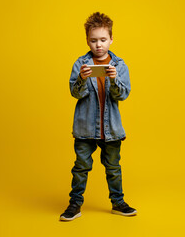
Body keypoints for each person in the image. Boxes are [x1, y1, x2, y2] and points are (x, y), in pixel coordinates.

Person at [60, 12, 137, 221]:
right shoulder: (81, 63)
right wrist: (82, 79)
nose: (98, 45)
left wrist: (113, 80)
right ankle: (75, 204)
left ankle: (118, 203)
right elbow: (75, 93)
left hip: (111, 129)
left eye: (103, 40)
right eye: (93, 40)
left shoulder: (119, 65)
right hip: (85, 128)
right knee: (81, 167)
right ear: (87, 40)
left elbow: (122, 95)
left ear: (111, 39)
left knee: (113, 168)